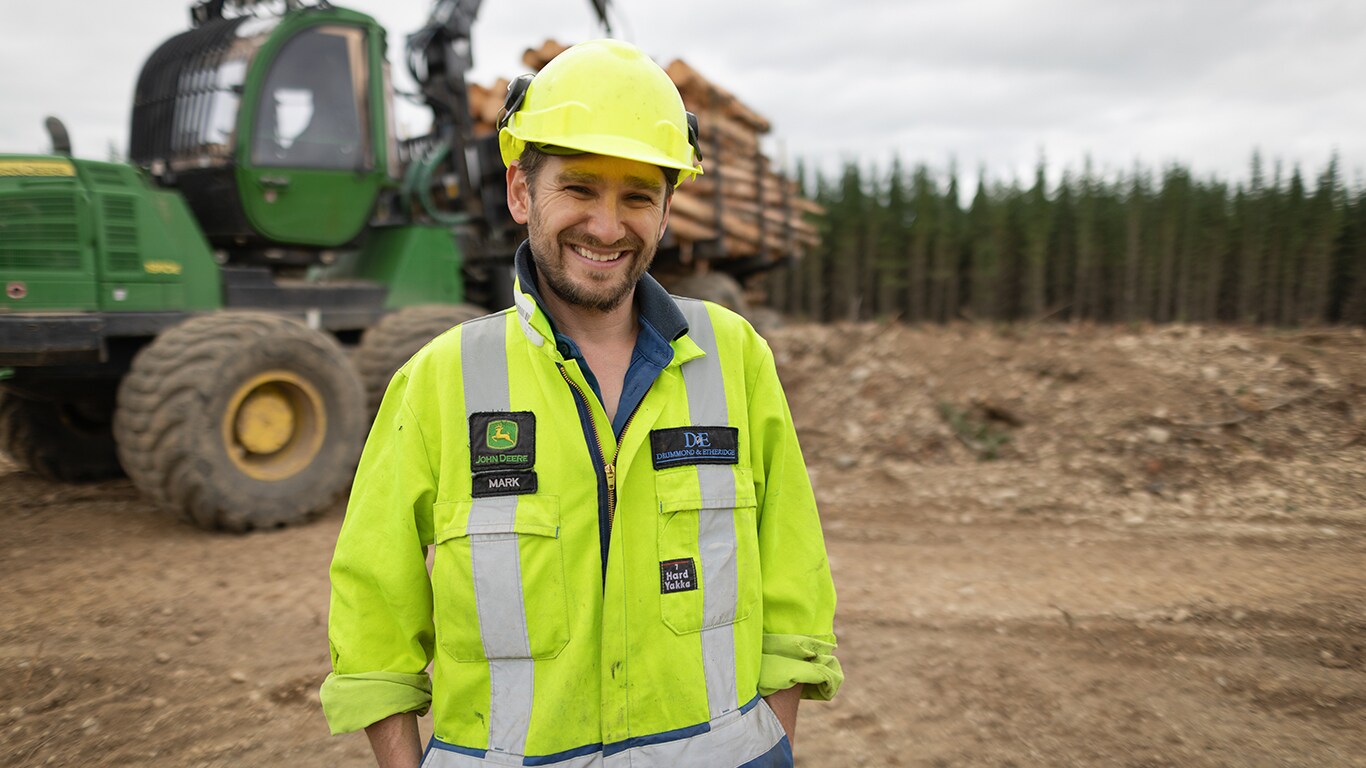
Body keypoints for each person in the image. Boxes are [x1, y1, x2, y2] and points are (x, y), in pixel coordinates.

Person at [321, 39, 841, 768]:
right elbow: (376, 609)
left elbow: (795, 577)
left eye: (637, 196)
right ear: (520, 191)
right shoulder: (441, 378)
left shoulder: (735, 357)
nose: (606, 226)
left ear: (667, 209)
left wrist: (770, 742)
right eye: (580, 188)